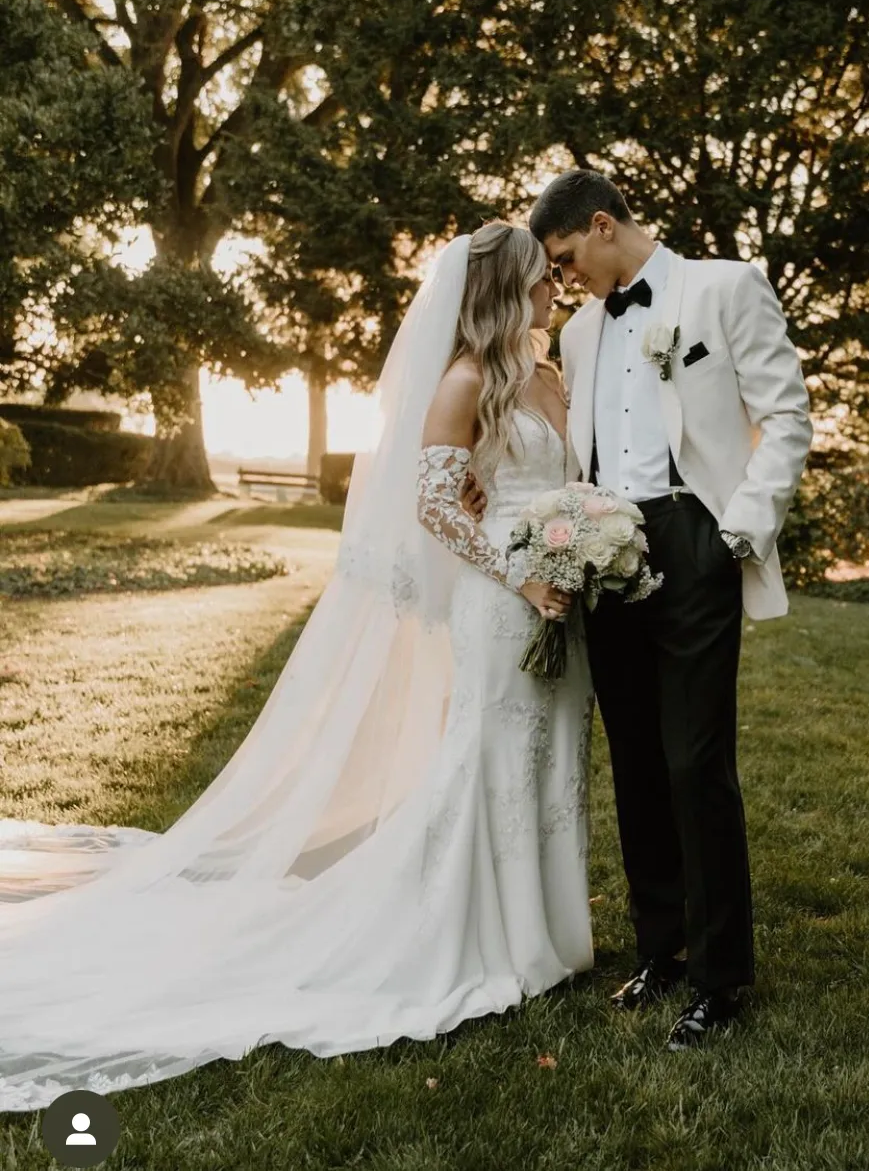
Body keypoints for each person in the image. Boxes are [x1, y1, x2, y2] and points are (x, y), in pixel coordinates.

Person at [0, 222, 595, 1112]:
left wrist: (580, 548)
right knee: (488, 757)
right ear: (507, 289)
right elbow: (433, 504)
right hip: (503, 600)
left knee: (553, 754)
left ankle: (544, 928)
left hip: (559, 593)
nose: (556, 287)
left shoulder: (548, 375)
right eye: (543, 277)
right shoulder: (464, 380)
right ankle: (473, 935)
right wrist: (522, 576)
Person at [529, 170, 813, 1050]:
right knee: (637, 762)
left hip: (696, 539)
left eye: (566, 259)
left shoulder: (724, 287)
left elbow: (786, 416)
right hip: (603, 547)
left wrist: (733, 535)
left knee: (695, 761)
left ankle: (720, 979)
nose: (564, 280)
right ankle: (661, 950)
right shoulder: (580, 331)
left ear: (602, 225)